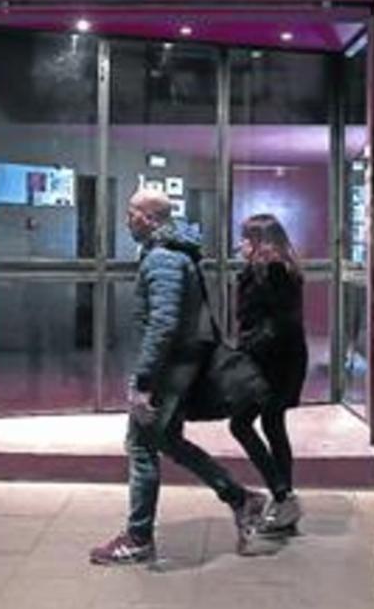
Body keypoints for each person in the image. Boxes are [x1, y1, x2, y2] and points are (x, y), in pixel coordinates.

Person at [89, 189, 266, 565]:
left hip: (170, 370)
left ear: (150, 218)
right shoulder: (172, 253)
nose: (126, 220)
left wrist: (144, 382)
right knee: (167, 440)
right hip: (180, 365)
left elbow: (163, 325)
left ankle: (138, 538)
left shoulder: (163, 259)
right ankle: (241, 498)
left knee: (141, 446)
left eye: (131, 213)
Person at [229, 213, 309, 535]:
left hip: (273, 364)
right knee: (273, 424)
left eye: (246, 239)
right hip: (281, 361)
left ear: (260, 242)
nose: (240, 245)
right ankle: (284, 499)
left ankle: (282, 494)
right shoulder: (277, 268)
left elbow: (275, 324)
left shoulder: (272, 271)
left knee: (242, 423)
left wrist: (245, 351)